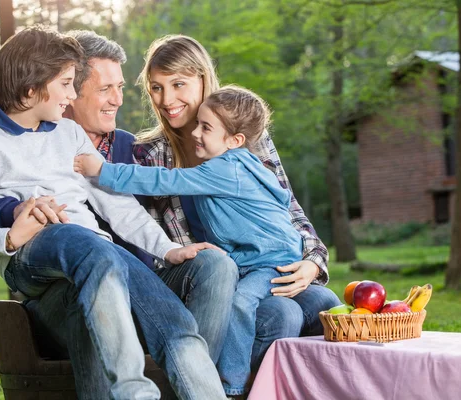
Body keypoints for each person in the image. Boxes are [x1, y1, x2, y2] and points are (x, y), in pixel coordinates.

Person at [0, 26, 228, 400]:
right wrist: (8, 238)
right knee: (74, 235)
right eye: (66, 84)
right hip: (33, 256)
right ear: (31, 89)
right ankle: (134, 392)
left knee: (175, 324)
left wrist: (167, 249)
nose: (73, 95)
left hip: (98, 254)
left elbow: (116, 203)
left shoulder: (69, 133)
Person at [133, 35, 341, 397]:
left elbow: (289, 211)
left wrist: (312, 262)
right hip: (209, 284)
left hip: (264, 269)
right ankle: (232, 391)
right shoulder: (150, 154)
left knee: (324, 303)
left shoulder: (249, 141)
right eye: (156, 87)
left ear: (203, 79)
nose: (166, 100)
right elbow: (152, 245)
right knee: (284, 316)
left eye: (178, 84)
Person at [75, 84, 311, 394]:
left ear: (234, 140)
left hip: (271, 264)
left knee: (240, 303)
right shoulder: (247, 164)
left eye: (206, 127)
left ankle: (229, 387)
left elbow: (165, 180)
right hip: (256, 258)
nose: (196, 132)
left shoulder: (227, 168)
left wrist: (103, 170)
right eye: (198, 123)